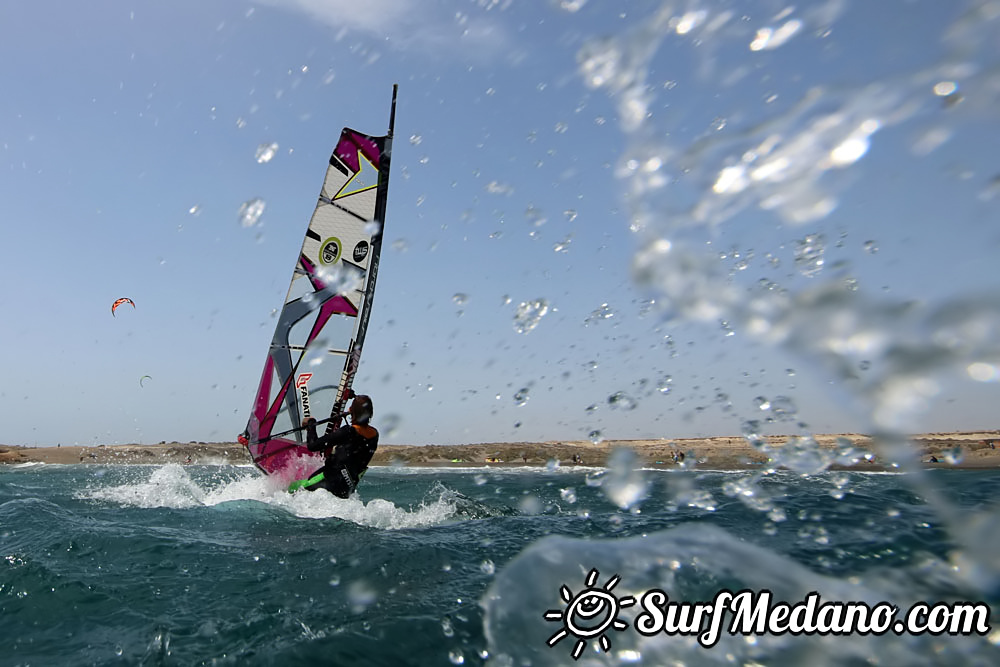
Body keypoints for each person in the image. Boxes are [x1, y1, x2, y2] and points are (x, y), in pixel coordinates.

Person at [296, 395, 379, 498]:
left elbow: (313, 445)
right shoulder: (374, 435)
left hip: (329, 482)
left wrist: (311, 425)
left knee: (292, 489)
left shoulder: (348, 432)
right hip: (346, 489)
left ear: (351, 410)